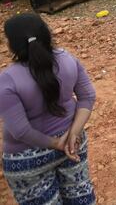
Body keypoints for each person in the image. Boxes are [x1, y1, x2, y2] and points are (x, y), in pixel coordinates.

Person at [0, 13, 96, 204]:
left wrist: (56, 144)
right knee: (80, 197)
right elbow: (87, 97)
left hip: (27, 157)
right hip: (73, 144)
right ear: (47, 34)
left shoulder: (8, 79)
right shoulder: (67, 59)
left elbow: (20, 131)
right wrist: (73, 135)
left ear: (11, 45)